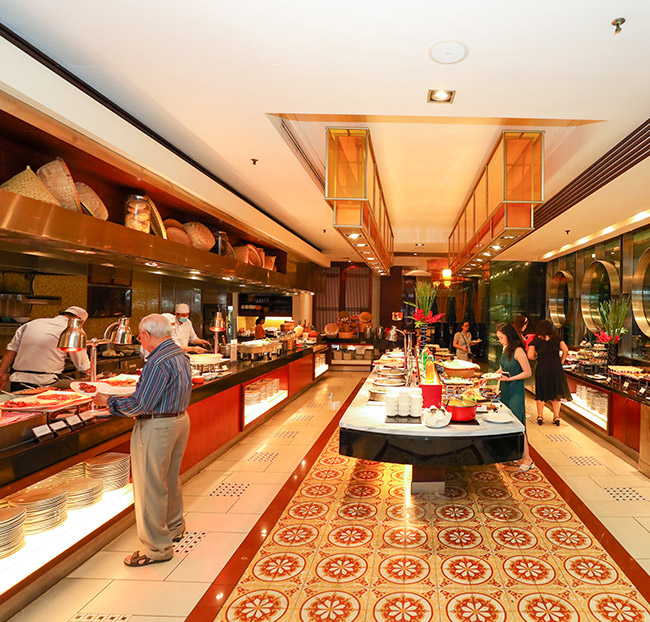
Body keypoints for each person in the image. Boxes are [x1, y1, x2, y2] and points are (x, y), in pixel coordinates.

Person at [97, 314, 192, 567]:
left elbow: (141, 404)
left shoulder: (157, 361)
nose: (140, 340)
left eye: (140, 336)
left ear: (147, 335)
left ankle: (157, 548)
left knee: (150, 486)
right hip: (179, 420)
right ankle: (174, 527)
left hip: (157, 425)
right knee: (169, 478)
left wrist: (108, 402)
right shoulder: (179, 354)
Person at [0, 306, 90, 392]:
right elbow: (83, 365)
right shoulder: (73, 330)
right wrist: (90, 383)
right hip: (47, 383)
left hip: (18, 382)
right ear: (79, 320)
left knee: (18, 402)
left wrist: (2, 373)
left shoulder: (31, 324)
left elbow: (11, 351)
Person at [496, 322, 534, 471]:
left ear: (508, 336)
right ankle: (510, 454)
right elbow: (502, 368)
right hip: (505, 389)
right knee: (506, 422)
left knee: (518, 424)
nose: (499, 340)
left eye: (501, 337)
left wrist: (510, 379)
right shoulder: (506, 349)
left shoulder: (518, 351)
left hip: (515, 390)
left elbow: (528, 372)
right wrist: (489, 377)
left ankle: (527, 459)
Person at [528, 319, 571, 426]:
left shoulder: (535, 341)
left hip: (542, 367)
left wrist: (537, 357)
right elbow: (566, 350)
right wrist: (561, 361)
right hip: (555, 368)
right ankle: (556, 417)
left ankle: (540, 416)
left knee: (541, 392)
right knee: (556, 392)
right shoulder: (557, 339)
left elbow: (530, 355)